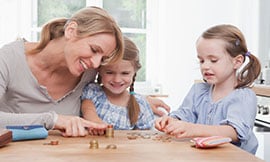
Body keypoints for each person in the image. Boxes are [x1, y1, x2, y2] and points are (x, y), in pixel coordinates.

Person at [0, 6, 169, 137]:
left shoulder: (87, 72)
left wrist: (140, 100)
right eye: (94, 49)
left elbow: (110, 86)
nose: (96, 63)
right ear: (71, 30)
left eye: (102, 59)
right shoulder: (7, 60)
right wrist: (53, 120)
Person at [155, 24, 261, 154]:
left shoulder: (243, 96)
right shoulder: (198, 91)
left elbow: (235, 132)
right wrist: (171, 121)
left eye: (213, 60)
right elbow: (184, 114)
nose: (205, 66)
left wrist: (193, 129)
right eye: (201, 60)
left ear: (237, 62)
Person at [81, 36, 155, 134]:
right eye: (109, 72)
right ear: (99, 70)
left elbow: (146, 136)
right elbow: (88, 109)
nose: (117, 80)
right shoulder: (93, 91)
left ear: (134, 73)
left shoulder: (140, 104)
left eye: (125, 73)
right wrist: (95, 122)